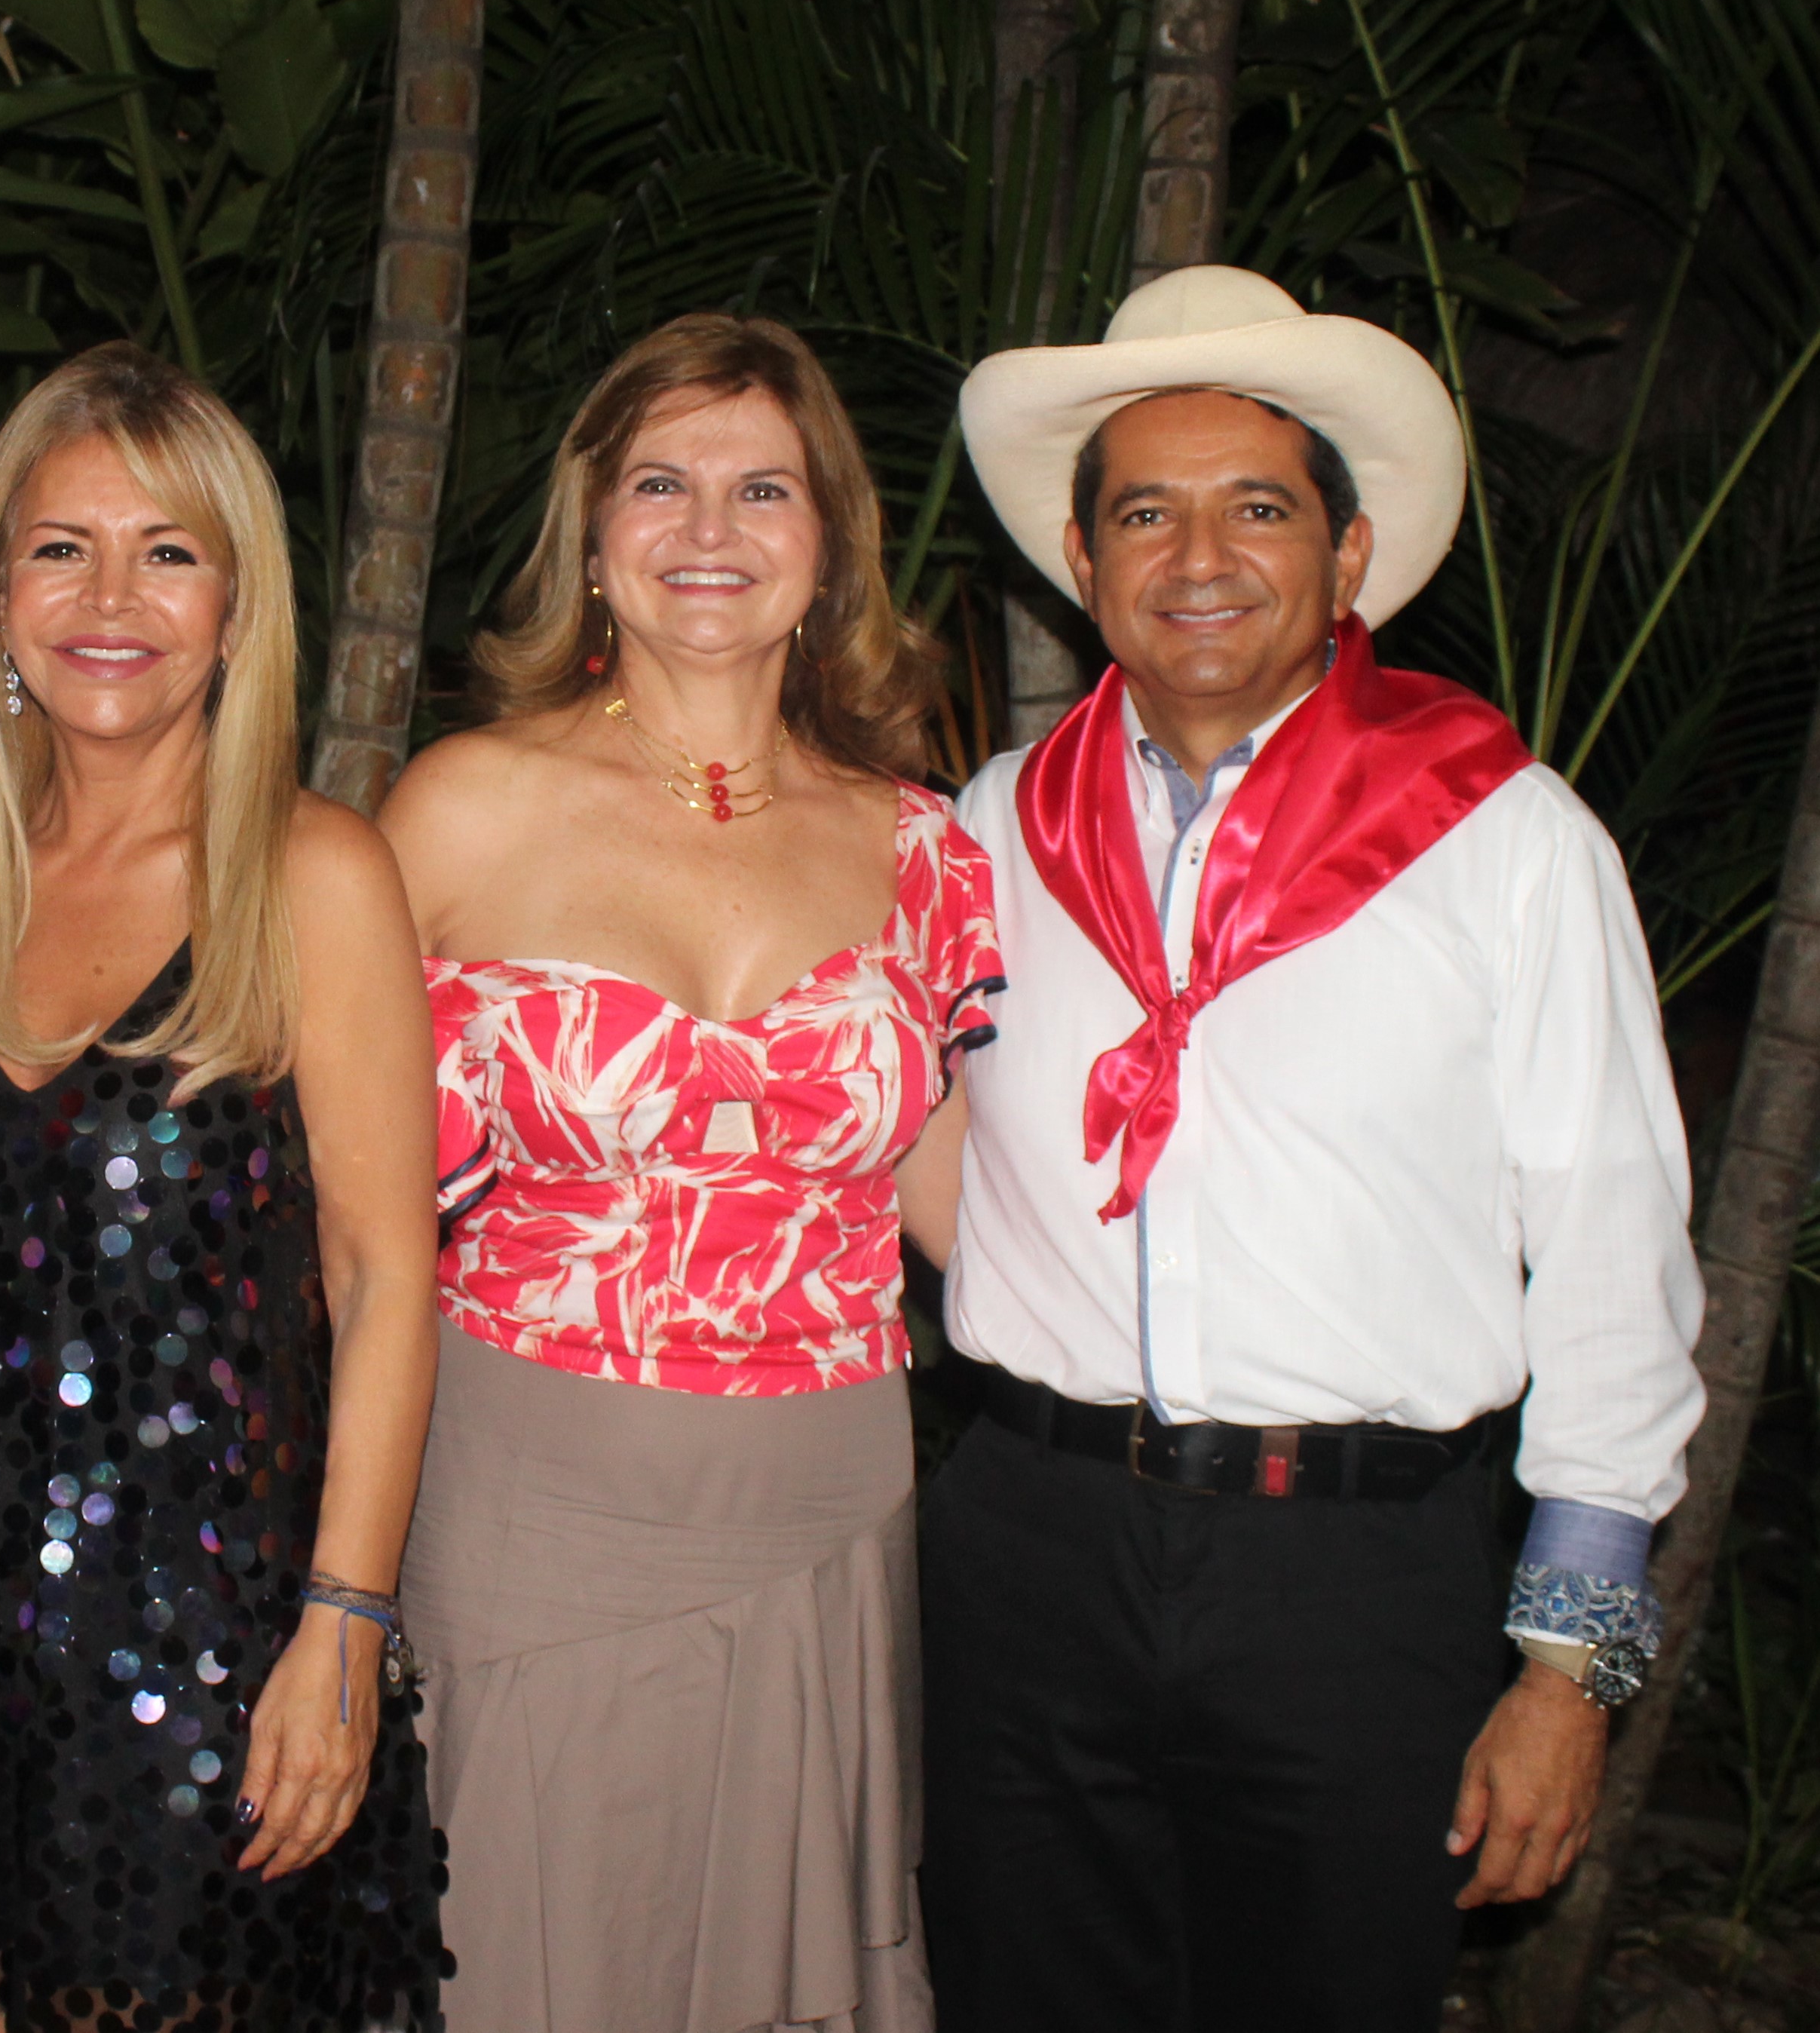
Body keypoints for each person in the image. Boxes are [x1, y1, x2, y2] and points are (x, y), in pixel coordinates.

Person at [924, 265, 1707, 2032]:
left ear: (1345, 559)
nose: (1197, 554)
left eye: (1255, 507)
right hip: (1028, 1545)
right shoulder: (986, 830)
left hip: (1354, 1578)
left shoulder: (1502, 838)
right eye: (1146, 511)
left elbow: (1611, 1254)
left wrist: (1569, 1673)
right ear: (1082, 555)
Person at [0, 343, 450, 2032]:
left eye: (167, 549)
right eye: (60, 545)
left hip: (203, 1651)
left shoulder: (310, 875)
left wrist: (341, 1622)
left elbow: (381, 1278)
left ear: (235, 604)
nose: (109, 594)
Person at [376, 311, 1000, 2032]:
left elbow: (972, 1225)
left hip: (824, 1508)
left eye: (759, 486)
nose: (706, 526)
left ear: (825, 545)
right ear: (590, 532)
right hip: (527, 1505)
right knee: (512, 1953)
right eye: (659, 480)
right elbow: (323, 1207)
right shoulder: (457, 807)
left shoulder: (922, 846)